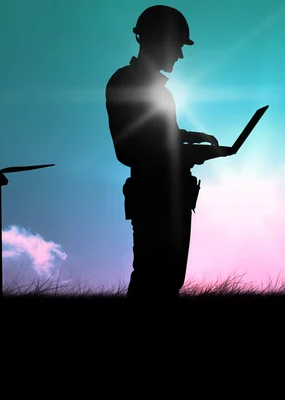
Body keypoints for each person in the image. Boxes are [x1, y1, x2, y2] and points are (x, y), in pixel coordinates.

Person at [105, 5, 230, 300]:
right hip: (154, 198)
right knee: (153, 279)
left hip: (170, 198)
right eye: (177, 46)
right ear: (156, 39)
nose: (180, 55)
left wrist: (191, 138)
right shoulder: (128, 83)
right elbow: (132, 149)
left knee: (169, 279)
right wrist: (193, 154)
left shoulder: (158, 90)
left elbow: (157, 137)